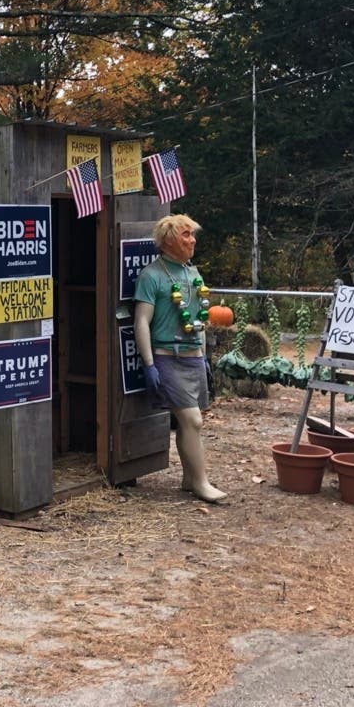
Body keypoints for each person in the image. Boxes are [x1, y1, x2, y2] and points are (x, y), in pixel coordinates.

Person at [133, 214, 227, 503]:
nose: (192, 240)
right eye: (186, 235)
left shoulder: (192, 273)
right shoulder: (152, 275)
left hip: (192, 357)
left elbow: (199, 319)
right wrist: (149, 364)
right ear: (169, 240)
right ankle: (201, 482)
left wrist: (203, 356)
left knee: (191, 422)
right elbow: (141, 321)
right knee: (192, 420)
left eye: (192, 234)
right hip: (167, 356)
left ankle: (189, 478)